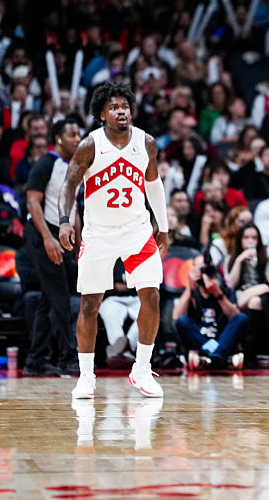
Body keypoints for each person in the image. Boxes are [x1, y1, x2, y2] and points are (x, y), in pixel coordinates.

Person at [60, 82, 169, 399]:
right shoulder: (89, 145)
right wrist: (65, 221)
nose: (121, 111)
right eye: (113, 107)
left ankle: (142, 369)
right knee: (90, 304)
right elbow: (68, 186)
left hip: (137, 231)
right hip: (99, 234)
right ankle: (86, 376)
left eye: (125, 106)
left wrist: (163, 226)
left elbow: (154, 185)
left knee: (152, 295)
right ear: (101, 114)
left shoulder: (146, 143)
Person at [22, 119, 82, 376]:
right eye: (72, 134)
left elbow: (74, 208)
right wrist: (48, 238)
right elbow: (32, 203)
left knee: (49, 301)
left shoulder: (76, 167)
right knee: (60, 298)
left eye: (79, 134)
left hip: (62, 236)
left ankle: (35, 360)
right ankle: (69, 358)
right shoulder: (46, 163)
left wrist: (79, 244)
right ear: (58, 138)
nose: (77, 139)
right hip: (42, 233)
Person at [173, 252, 247, 370]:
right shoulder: (191, 290)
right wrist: (190, 287)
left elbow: (235, 317)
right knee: (182, 321)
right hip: (200, 338)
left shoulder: (223, 288)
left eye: (205, 268)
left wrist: (218, 294)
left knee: (242, 318)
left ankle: (210, 356)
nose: (203, 273)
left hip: (221, 339)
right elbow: (176, 316)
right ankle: (216, 355)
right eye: (199, 269)